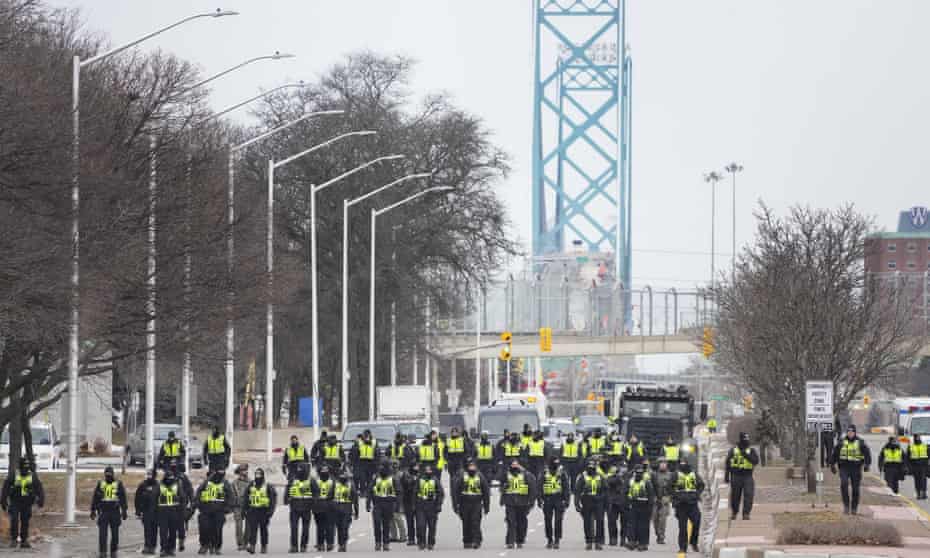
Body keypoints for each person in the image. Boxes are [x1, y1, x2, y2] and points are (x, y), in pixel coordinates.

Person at [1, 457, 44, 549]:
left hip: (27, 502)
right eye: (24, 467)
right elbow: (5, 488)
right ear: (20, 467)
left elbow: (39, 488)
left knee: (25, 521)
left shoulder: (32, 476)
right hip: (15, 502)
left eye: (27, 467)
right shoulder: (13, 475)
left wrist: (41, 500)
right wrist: (3, 501)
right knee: (14, 520)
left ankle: (24, 540)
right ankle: (14, 539)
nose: (25, 469)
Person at [830, 424, 872, 515]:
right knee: (844, 484)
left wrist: (867, 465)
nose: (850, 433)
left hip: (856, 468)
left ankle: (854, 508)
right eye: (848, 432)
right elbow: (835, 453)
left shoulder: (860, 442)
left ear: (855, 432)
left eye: (852, 432)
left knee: (855, 489)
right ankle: (846, 506)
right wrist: (832, 465)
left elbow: (867, 453)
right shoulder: (841, 442)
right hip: (844, 467)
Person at [90, 466, 128, 558]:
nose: (108, 476)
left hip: (115, 512)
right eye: (106, 475)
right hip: (103, 512)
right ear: (104, 474)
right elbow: (95, 498)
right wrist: (93, 510)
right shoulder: (100, 484)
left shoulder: (118, 484)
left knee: (115, 535)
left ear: (113, 474)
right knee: (102, 535)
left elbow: (123, 498)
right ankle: (102, 552)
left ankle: (113, 551)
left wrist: (124, 510)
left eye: (110, 474)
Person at [452, 460, 491, 549]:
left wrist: (486, 506)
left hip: (476, 502)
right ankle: (467, 540)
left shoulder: (480, 476)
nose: (472, 468)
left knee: (475, 522)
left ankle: (476, 540)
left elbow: (486, 491)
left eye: (473, 466)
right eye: (470, 466)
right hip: (464, 502)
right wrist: (455, 505)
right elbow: (455, 492)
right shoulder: (462, 476)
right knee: (466, 522)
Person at [194, 468, 234, 555]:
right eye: (219, 473)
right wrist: (198, 504)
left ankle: (216, 547)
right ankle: (204, 545)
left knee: (217, 530)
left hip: (219, 511)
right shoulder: (207, 482)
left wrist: (228, 508)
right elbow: (198, 492)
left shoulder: (225, 483)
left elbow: (231, 496)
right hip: (205, 510)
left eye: (222, 473)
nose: (220, 475)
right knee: (204, 528)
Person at [501, 460, 536, 549]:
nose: (514, 466)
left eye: (516, 464)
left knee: (521, 522)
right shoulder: (506, 474)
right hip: (510, 502)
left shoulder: (526, 475)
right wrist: (502, 498)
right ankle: (510, 541)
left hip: (522, 502)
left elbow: (532, 489)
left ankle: (520, 540)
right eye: (512, 464)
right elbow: (502, 487)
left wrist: (531, 502)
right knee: (511, 522)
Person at [672, 458, 704, 554]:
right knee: (682, 527)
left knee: (697, 521)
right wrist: (676, 496)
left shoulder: (693, 474)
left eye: (684, 463)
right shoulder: (676, 474)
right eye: (681, 463)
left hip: (692, 504)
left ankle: (693, 542)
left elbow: (701, 485)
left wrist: (696, 494)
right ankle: (682, 547)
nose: (682, 465)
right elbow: (669, 486)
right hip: (681, 505)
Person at [538, 457, 570, 549]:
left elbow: (566, 487)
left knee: (558, 520)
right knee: (548, 520)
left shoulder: (562, 473)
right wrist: (539, 499)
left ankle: (557, 540)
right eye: (554, 463)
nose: (556, 464)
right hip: (547, 499)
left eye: (557, 463)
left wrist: (567, 500)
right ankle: (549, 540)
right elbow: (539, 486)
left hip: (559, 499)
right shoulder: (544, 473)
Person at [725, 432, 759, 520]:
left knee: (749, 494)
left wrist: (746, 455)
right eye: (745, 439)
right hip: (736, 475)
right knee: (735, 496)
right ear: (740, 439)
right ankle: (734, 512)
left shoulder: (751, 450)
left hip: (748, 475)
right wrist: (726, 476)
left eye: (747, 439)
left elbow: (755, 461)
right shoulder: (733, 450)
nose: (746, 441)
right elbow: (728, 463)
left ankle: (746, 513)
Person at [242, 467, 277, 554]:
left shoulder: (268, 486)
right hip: (253, 510)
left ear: (262, 475)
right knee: (253, 529)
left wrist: (271, 511)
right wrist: (244, 510)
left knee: (263, 530)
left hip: (264, 511)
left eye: (259, 474)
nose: (257, 476)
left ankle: (264, 546)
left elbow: (273, 499)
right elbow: (246, 498)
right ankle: (252, 546)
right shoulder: (251, 485)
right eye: (256, 474)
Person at [367, 461, 399, 551]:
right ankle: (377, 542)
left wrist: (397, 505)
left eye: (383, 467)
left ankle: (386, 543)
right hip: (377, 503)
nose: (382, 469)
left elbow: (399, 492)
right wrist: (368, 503)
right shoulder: (376, 478)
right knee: (377, 523)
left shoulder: (393, 479)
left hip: (389, 504)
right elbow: (370, 491)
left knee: (386, 525)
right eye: (380, 467)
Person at [574, 459, 606, 550]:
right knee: (587, 522)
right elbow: (577, 491)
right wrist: (577, 504)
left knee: (600, 521)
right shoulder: (582, 477)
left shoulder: (600, 477)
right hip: (586, 501)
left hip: (598, 501)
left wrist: (604, 501)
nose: (591, 470)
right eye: (589, 468)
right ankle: (589, 542)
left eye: (593, 468)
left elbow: (605, 490)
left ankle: (598, 542)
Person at [156, 468, 188, 557]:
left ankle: (171, 549)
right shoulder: (159, 486)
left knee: (173, 532)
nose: (170, 479)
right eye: (168, 478)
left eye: (171, 478)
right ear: (165, 478)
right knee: (163, 532)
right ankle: (163, 549)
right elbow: (154, 499)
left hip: (174, 512)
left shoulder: (177, 485)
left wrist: (183, 511)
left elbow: (182, 499)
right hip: (162, 512)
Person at [284, 462, 314, 553]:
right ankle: (294, 546)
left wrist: (312, 503)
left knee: (305, 528)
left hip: (306, 508)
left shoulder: (311, 481)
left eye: (301, 469)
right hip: (294, 507)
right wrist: (286, 500)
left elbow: (316, 493)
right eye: (299, 469)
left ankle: (303, 546)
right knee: (294, 528)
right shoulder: (293, 480)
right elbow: (288, 490)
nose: (299, 471)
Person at [626, 464, 655, 551]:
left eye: (640, 472)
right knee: (632, 525)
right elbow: (624, 493)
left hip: (644, 506)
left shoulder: (646, 482)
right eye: (637, 472)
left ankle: (643, 543)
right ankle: (632, 541)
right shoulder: (629, 481)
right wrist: (625, 505)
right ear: (634, 472)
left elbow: (651, 496)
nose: (638, 474)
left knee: (643, 526)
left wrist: (650, 508)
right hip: (633, 505)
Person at [414, 464, 444, 550]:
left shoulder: (435, 480)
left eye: (429, 470)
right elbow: (414, 493)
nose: (428, 472)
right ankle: (421, 542)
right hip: (421, 505)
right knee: (421, 525)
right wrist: (414, 505)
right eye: (426, 470)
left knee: (432, 526)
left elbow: (440, 493)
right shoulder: (420, 480)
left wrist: (438, 505)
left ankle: (431, 543)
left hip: (432, 505)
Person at [134, 469, 160, 555]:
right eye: (147, 474)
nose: (149, 476)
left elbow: (162, 499)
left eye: (150, 474)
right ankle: (147, 546)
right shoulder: (142, 485)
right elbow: (137, 498)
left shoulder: (158, 485)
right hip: (146, 512)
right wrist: (138, 511)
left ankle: (152, 547)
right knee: (147, 530)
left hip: (156, 512)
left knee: (154, 530)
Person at [333, 468, 359, 552]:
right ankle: (341, 544)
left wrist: (356, 512)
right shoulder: (335, 485)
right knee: (339, 527)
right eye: (341, 476)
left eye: (345, 476)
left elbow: (355, 500)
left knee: (344, 527)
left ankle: (343, 544)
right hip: (336, 509)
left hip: (347, 509)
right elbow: (329, 497)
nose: (343, 478)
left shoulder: (351, 485)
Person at [312, 466, 336, 552]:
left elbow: (312, 493)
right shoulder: (333, 481)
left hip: (318, 506)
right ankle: (330, 543)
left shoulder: (315, 481)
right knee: (330, 526)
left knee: (320, 526)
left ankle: (320, 544)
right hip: (329, 505)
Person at [652, 459, 675, 545]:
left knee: (662, 519)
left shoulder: (670, 475)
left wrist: (671, 498)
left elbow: (673, 487)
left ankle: (661, 537)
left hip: (665, 498)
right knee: (655, 519)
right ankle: (658, 533)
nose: (663, 465)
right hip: (655, 499)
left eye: (664, 464)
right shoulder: (654, 475)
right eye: (661, 464)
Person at [398, 463, 419, 546]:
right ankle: (411, 539)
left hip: (418, 502)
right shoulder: (405, 476)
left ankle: (420, 538)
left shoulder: (421, 476)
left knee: (420, 522)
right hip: (408, 501)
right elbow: (403, 488)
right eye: (415, 467)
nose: (416, 469)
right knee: (410, 522)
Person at [605, 464, 626, 547]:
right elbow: (608, 483)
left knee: (624, 523)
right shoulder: (610, 478)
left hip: (624, 503)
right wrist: (617, 477)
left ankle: (623, 539)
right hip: (613, 503)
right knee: (612, 522)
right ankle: (613, 538)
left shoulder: (628, 478)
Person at [231, 464, 251, 551]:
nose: (245, 472)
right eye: (243, 471)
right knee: (239, 525)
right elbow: (231, 495)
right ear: (239, 472)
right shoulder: (234, 483)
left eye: (246, 470)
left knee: (248, 526)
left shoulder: (251, 482)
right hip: (238, 506)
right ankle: (240, 543)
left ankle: (245, 543)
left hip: (248, 506)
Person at [353, 431, 377, 495]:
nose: (366, 437)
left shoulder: (374, 442)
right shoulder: (360, 443)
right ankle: (362, 492)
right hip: (362, 462)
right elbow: (356, 453)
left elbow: (376, 453)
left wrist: (376, 464)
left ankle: (369, 492)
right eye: (365, 435)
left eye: (367, 435)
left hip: (371, 462)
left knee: (369, 479)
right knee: (362, 479)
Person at [907, 434, 929, 500]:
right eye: (917, 437)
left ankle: (924, 493)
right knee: (917, 480)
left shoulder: (924, 446)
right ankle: (918, 493)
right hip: (915, 466)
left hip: (923, 466)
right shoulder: (911, 446)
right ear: (914, 438)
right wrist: (909, 467)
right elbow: (907, 457)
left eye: (919, 437)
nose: (918, 438)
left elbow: (929, 455)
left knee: (923, 479)